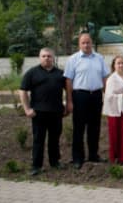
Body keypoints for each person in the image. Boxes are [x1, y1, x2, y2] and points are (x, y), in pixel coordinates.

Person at [64, 33, 110, 169]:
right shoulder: (73, 59)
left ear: (92, 43)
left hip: (96, 96)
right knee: (79, 128)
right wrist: (69, 101)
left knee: (95, 128)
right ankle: (78, 158)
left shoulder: (99, 58)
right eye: (83, 43)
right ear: (79, 44)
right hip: (80, 96)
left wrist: (106, 96)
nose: (86, 45)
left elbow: (105, 78)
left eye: (88, 42)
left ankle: (93, 155)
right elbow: (68, 80)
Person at [19, 48, 67, 176]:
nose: (46, 58)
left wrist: (67, 105)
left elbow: (69, 90)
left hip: (56, 112)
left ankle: (55, 162)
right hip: (38, 113)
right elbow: (22, 90)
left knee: (54, 139)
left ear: (53, 58)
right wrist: (27, 109)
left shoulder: (60, 74)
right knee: (38, 140)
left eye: (49, 56)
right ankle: (36, 166)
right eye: (44, 56)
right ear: (39, 57)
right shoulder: (32, 73)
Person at [102, 55, 123, 164]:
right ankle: (118, 158)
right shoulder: (112, 79)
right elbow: (109, 96)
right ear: (114, 66)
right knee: (118, 134)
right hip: (117, 111)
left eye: (122, 63)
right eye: (118, 63)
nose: (121, 65)